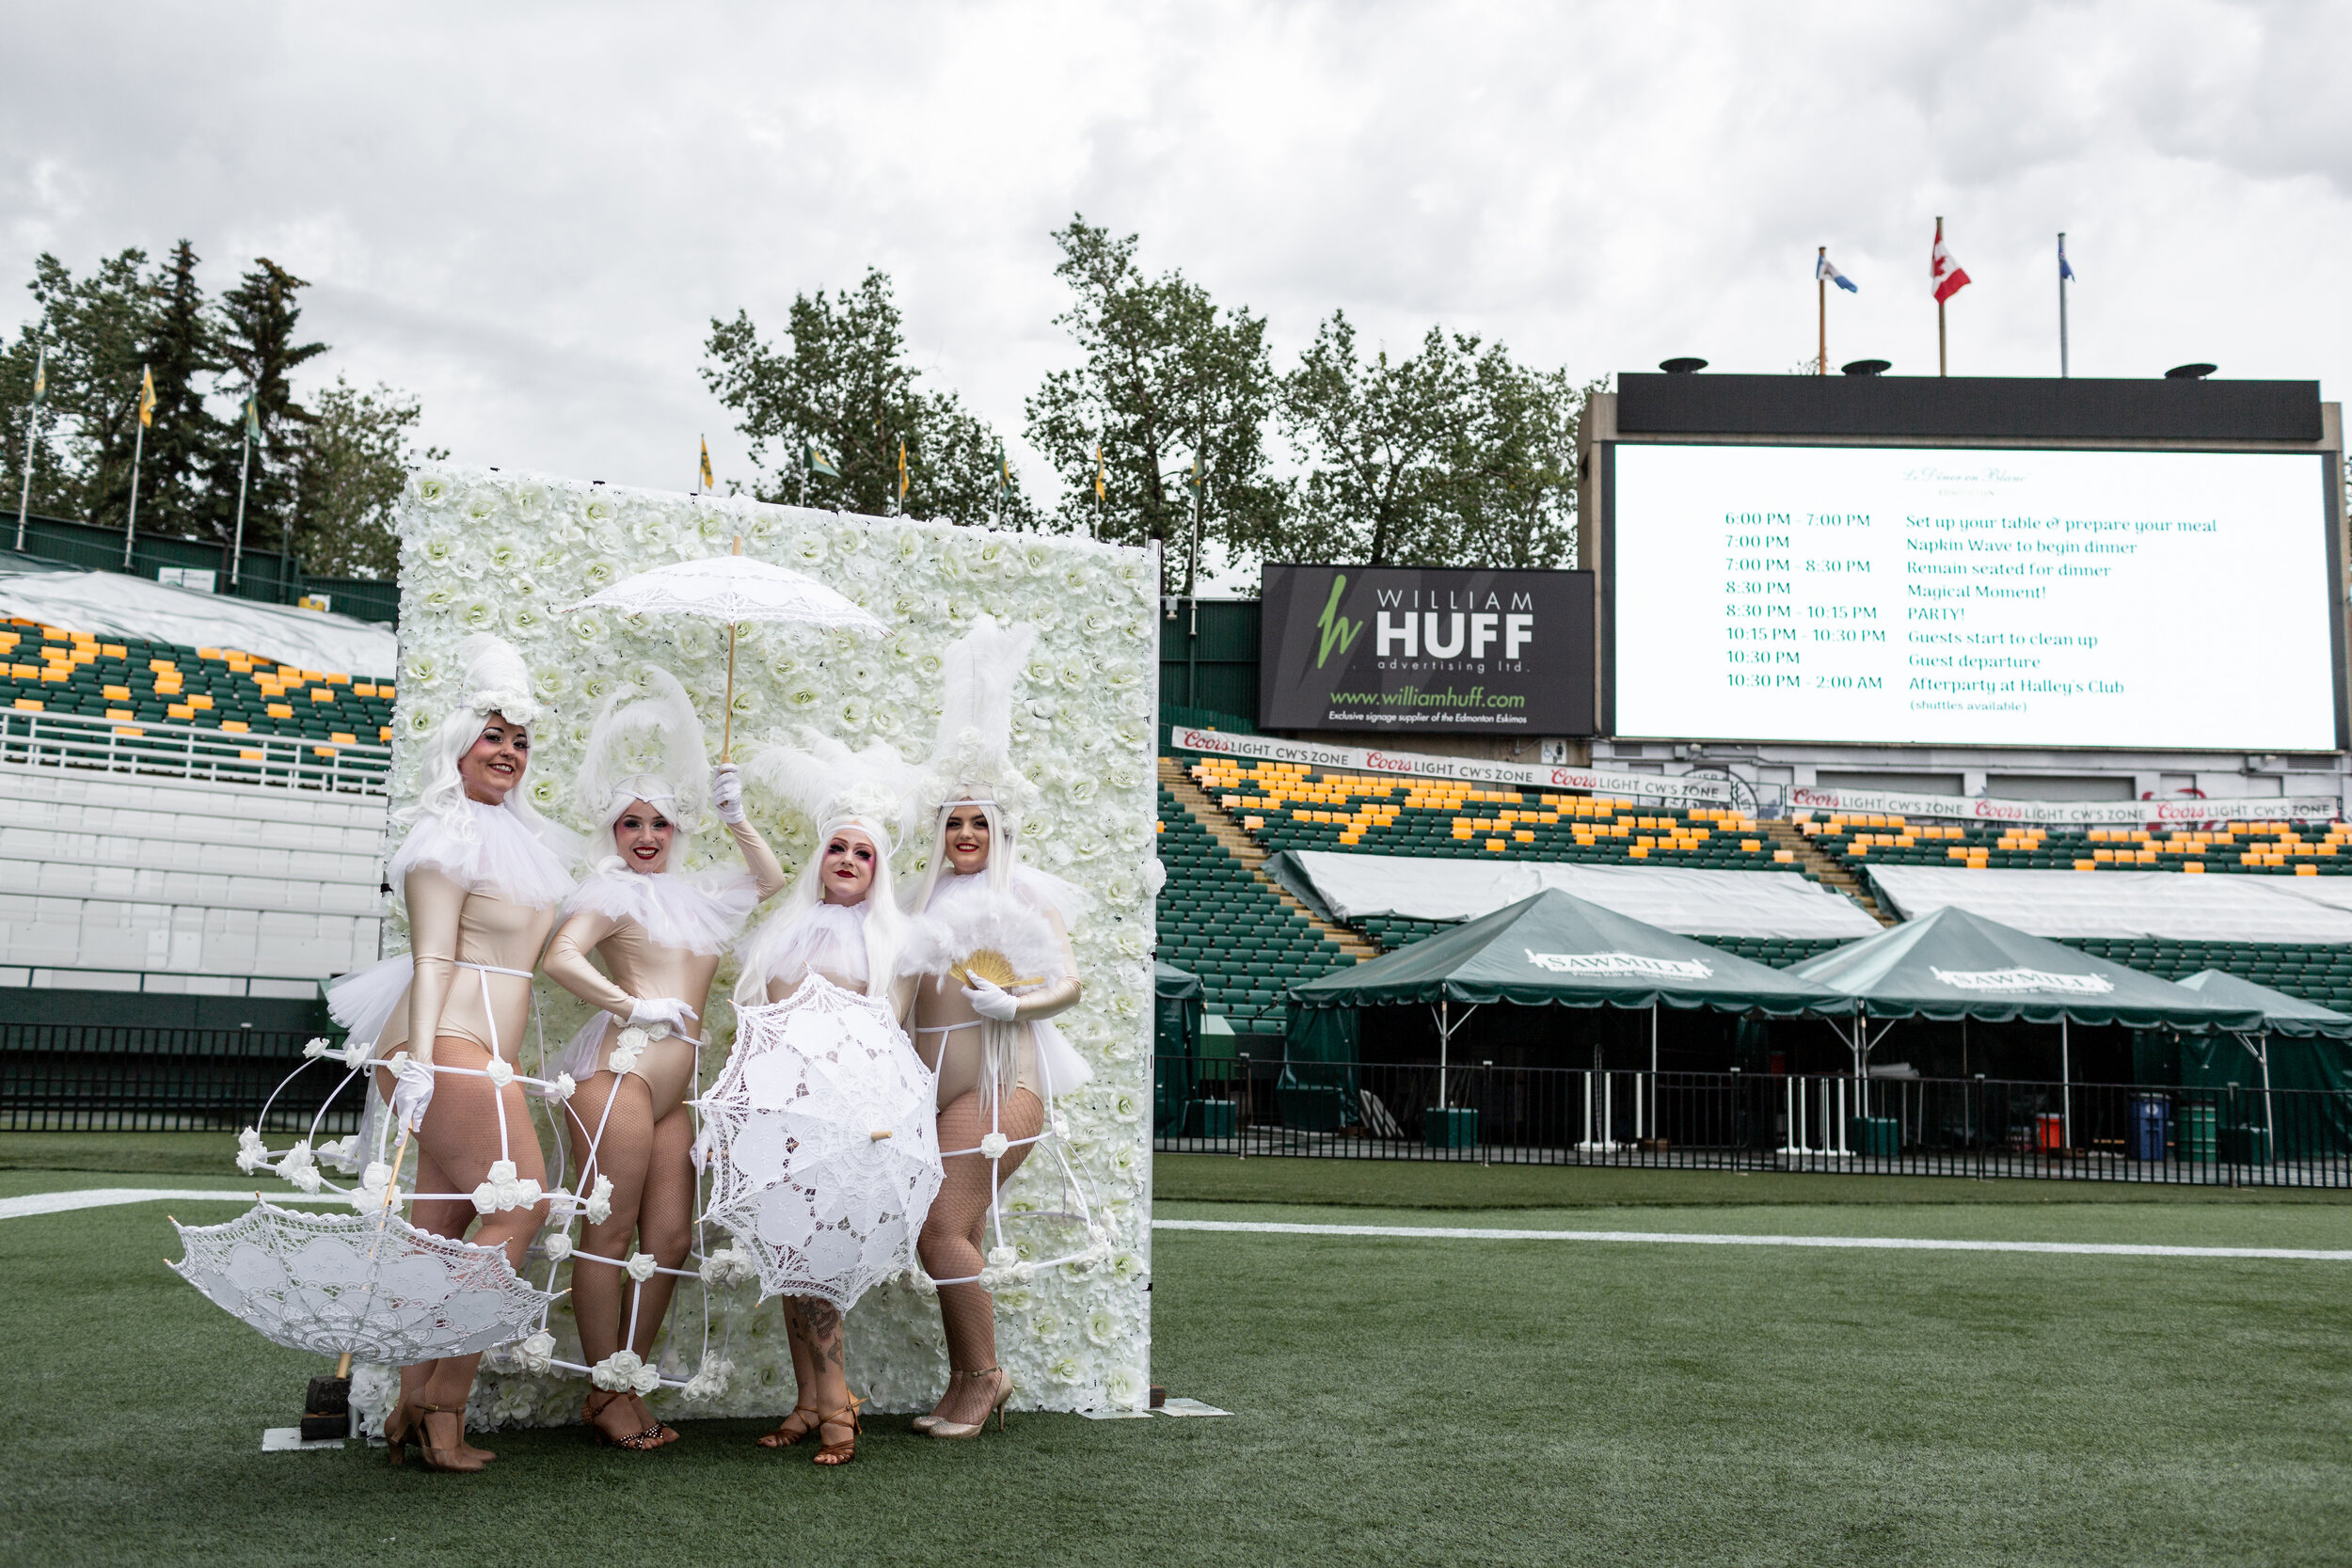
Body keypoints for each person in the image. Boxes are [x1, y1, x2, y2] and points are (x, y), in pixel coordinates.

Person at [342, 633, 579, 1472]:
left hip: (474, 1046)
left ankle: (422, 1410)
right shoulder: (443, 836)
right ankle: (443, 1393)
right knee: (523, 1201)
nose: (509, 751)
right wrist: (416, 1064)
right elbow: (433, 954)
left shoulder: (517, 836)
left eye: (520, 738)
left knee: (440, 1230)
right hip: (443, 1040)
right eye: (494, 735)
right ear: (461, 743)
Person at [541, 669, 787, 1450]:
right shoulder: (610, 893)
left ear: (678, 831)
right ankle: (611, 1394)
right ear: (612, 832)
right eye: (630, 823)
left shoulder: (702, 894)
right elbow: (560, 956)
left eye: (658, 824)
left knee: (671, 1242)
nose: (645, 836)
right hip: (620, 1073)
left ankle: (621, 1381)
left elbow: (770, 878)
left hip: (673, 1093)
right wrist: (629, 1003)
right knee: (609, 1238)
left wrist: (736, 815)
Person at [901, 617, 1091, 1440]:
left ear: (1000, 828)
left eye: (979, 822)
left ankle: (985, 1376)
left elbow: (1068, 981)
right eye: (954, 823)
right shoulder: (917, 903)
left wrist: (1018, 1006)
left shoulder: (1023, 897)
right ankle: (964, 1382)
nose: (967, 835)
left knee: (940, 1228)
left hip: (1003, 1086)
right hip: (936, 1095)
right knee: (955, 1233)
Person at [723, 730, 924, 1465]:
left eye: (863, 853)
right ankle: (809, 1400)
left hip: (846, 1115)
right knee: (786, 1254)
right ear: (821, 856)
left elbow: (890, 1035)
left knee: (818, 1259)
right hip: (780, 1112)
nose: (847, 860)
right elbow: (758, 1028)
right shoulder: (784, 930)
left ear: (879, 869)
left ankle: (839, 1402)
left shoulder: (891, 940)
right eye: (838, 848)